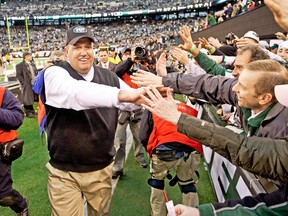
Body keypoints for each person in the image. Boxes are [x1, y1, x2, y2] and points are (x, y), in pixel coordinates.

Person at [140, 63, 288, 215]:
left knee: (157, 183)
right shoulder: (256, 97)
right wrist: (166, 80)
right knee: (187, 183)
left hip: (164, 152)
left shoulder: (281, 127)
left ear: (265, 98)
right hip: (189, 153)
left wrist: (178, 119)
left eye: (242, 86)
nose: (234, 88)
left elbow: (244, 148)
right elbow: (214, 85)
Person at [42, 25, 160, 216]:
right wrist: (123, 95)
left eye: (87, 47)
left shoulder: (109, 77)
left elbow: (134, 102)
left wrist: (152, 91)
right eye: (76, 47)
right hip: (64, 172)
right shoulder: (55, 73)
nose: (83, 52)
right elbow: (76, 93)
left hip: (100, 167)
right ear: (66, 51)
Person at [111, 45, 148, 179]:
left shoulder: (141, 69)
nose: (130, 56)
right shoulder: (118, 70)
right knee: (119, 141)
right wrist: (129, 61)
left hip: (138, 110)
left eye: (131, 54)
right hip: (122, 111)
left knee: (140, 137)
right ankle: (117, 167)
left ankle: (140, 158)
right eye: (126, 54)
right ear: (122, 56)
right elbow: (116, 71)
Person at [0, 87, 27, 215]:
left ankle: (21, 206)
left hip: (1, 150)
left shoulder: (2, 93)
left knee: (4, 196)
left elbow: (17, 117)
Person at [16, 51, 38, 118]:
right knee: (27, 98)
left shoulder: (32, 64)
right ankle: (28, 112)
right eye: (30, 55)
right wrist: (23, 83)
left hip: (33, 83)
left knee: (31, 97)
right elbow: (19, 75)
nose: (31, 57)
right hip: (27, 84)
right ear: (26, 56)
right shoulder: (20, 65)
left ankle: (32, 110)